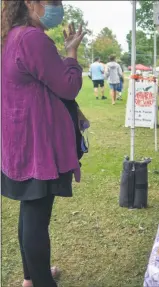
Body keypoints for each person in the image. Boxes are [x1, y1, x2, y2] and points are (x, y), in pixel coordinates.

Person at [1, 1, 86, 287]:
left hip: (19, 139)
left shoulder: (12, 36)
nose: (57, 8)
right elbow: (68, 86)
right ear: (30, 2)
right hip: (37, 143)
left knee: (30, 209)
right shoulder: (32, 38)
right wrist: (72, 54)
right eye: (53, 2)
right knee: (37, 214)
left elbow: (43, 81)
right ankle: (40, 282)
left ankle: (31, 277)